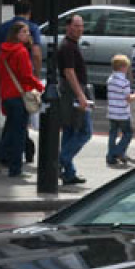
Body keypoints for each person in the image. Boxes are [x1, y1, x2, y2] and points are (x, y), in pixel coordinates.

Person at [0, 0, 42, 163]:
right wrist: (36, 77)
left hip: (6, 82)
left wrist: (1, 67)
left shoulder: (3, 27)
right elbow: (36, 53)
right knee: (18, 119)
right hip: (23, 83)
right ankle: (9, 153)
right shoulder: (31, 28)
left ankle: (15, 151)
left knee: (13, 119)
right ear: (29, 12)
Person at [57, 12, 91, 185]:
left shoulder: (71, 45)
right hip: (73, 94)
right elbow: (69, 72)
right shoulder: (68, 47)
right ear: (68, 27)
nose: (80, 29)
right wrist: (81, 95)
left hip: (74, 92)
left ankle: (68, 173)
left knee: (70, 131)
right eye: (76, 25)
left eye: (81, 25)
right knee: (85, 131)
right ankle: (59, 161)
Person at [106, 54, 134, 168]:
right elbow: (128, 98)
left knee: (113, 133)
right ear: (123, 67)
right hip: (122, 113)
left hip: (112, 112)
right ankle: (116, 152)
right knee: (128, 133)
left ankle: (110, 157)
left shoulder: (110, 80)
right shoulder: (125, 82)